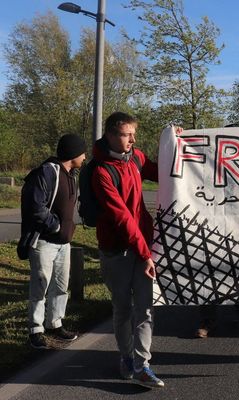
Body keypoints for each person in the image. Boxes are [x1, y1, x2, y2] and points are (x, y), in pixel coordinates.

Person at [92, 112, 163, 388]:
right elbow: (122, 217)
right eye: (126, 134)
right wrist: (145, 253)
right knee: (123, 309)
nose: (132, 139)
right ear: (110, 134)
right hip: (117, 251)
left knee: (145, 308)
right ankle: (126, 357)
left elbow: (162, 171)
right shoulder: (101, 172)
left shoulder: (135, 157)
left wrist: (179, 143)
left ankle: (143, 364)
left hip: (142, 247)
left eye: (133, 133)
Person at [19, 134, 86, 349]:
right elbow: (35, 207)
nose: (85, 157)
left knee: (60, 286)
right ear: (73, 153)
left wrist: (68, 230)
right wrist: (56, 226)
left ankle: (55, 323)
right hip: (44, 243)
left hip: (63, 244)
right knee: (40, 286)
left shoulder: (71, 174)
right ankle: (35, 330)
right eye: (82, 152)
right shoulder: (48, 172)